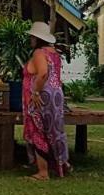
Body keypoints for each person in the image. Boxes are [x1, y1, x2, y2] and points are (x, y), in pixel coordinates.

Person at [22, 21, 69, 180]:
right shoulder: (54, 53)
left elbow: (43, 74)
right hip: (55, 95)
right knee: (54, 130)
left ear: (36, 38)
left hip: (42, 96)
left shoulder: (39, 53)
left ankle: (43, 172)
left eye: (31, 37)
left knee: (38, 130)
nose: (30, 39)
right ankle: (61, 164)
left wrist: (35, 91)